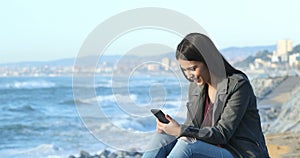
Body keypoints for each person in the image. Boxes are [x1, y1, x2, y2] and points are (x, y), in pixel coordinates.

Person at [142, 33, 270, 158]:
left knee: (187, 146)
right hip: (210, 149)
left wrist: (180, 130)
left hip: (239, 153)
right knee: (162, 138)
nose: (189, 75)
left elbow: (222, 134)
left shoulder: (238, 85)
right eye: (185, 70)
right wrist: (170, 129)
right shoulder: (196, 87)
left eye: (193, 68)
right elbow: (193, 127)